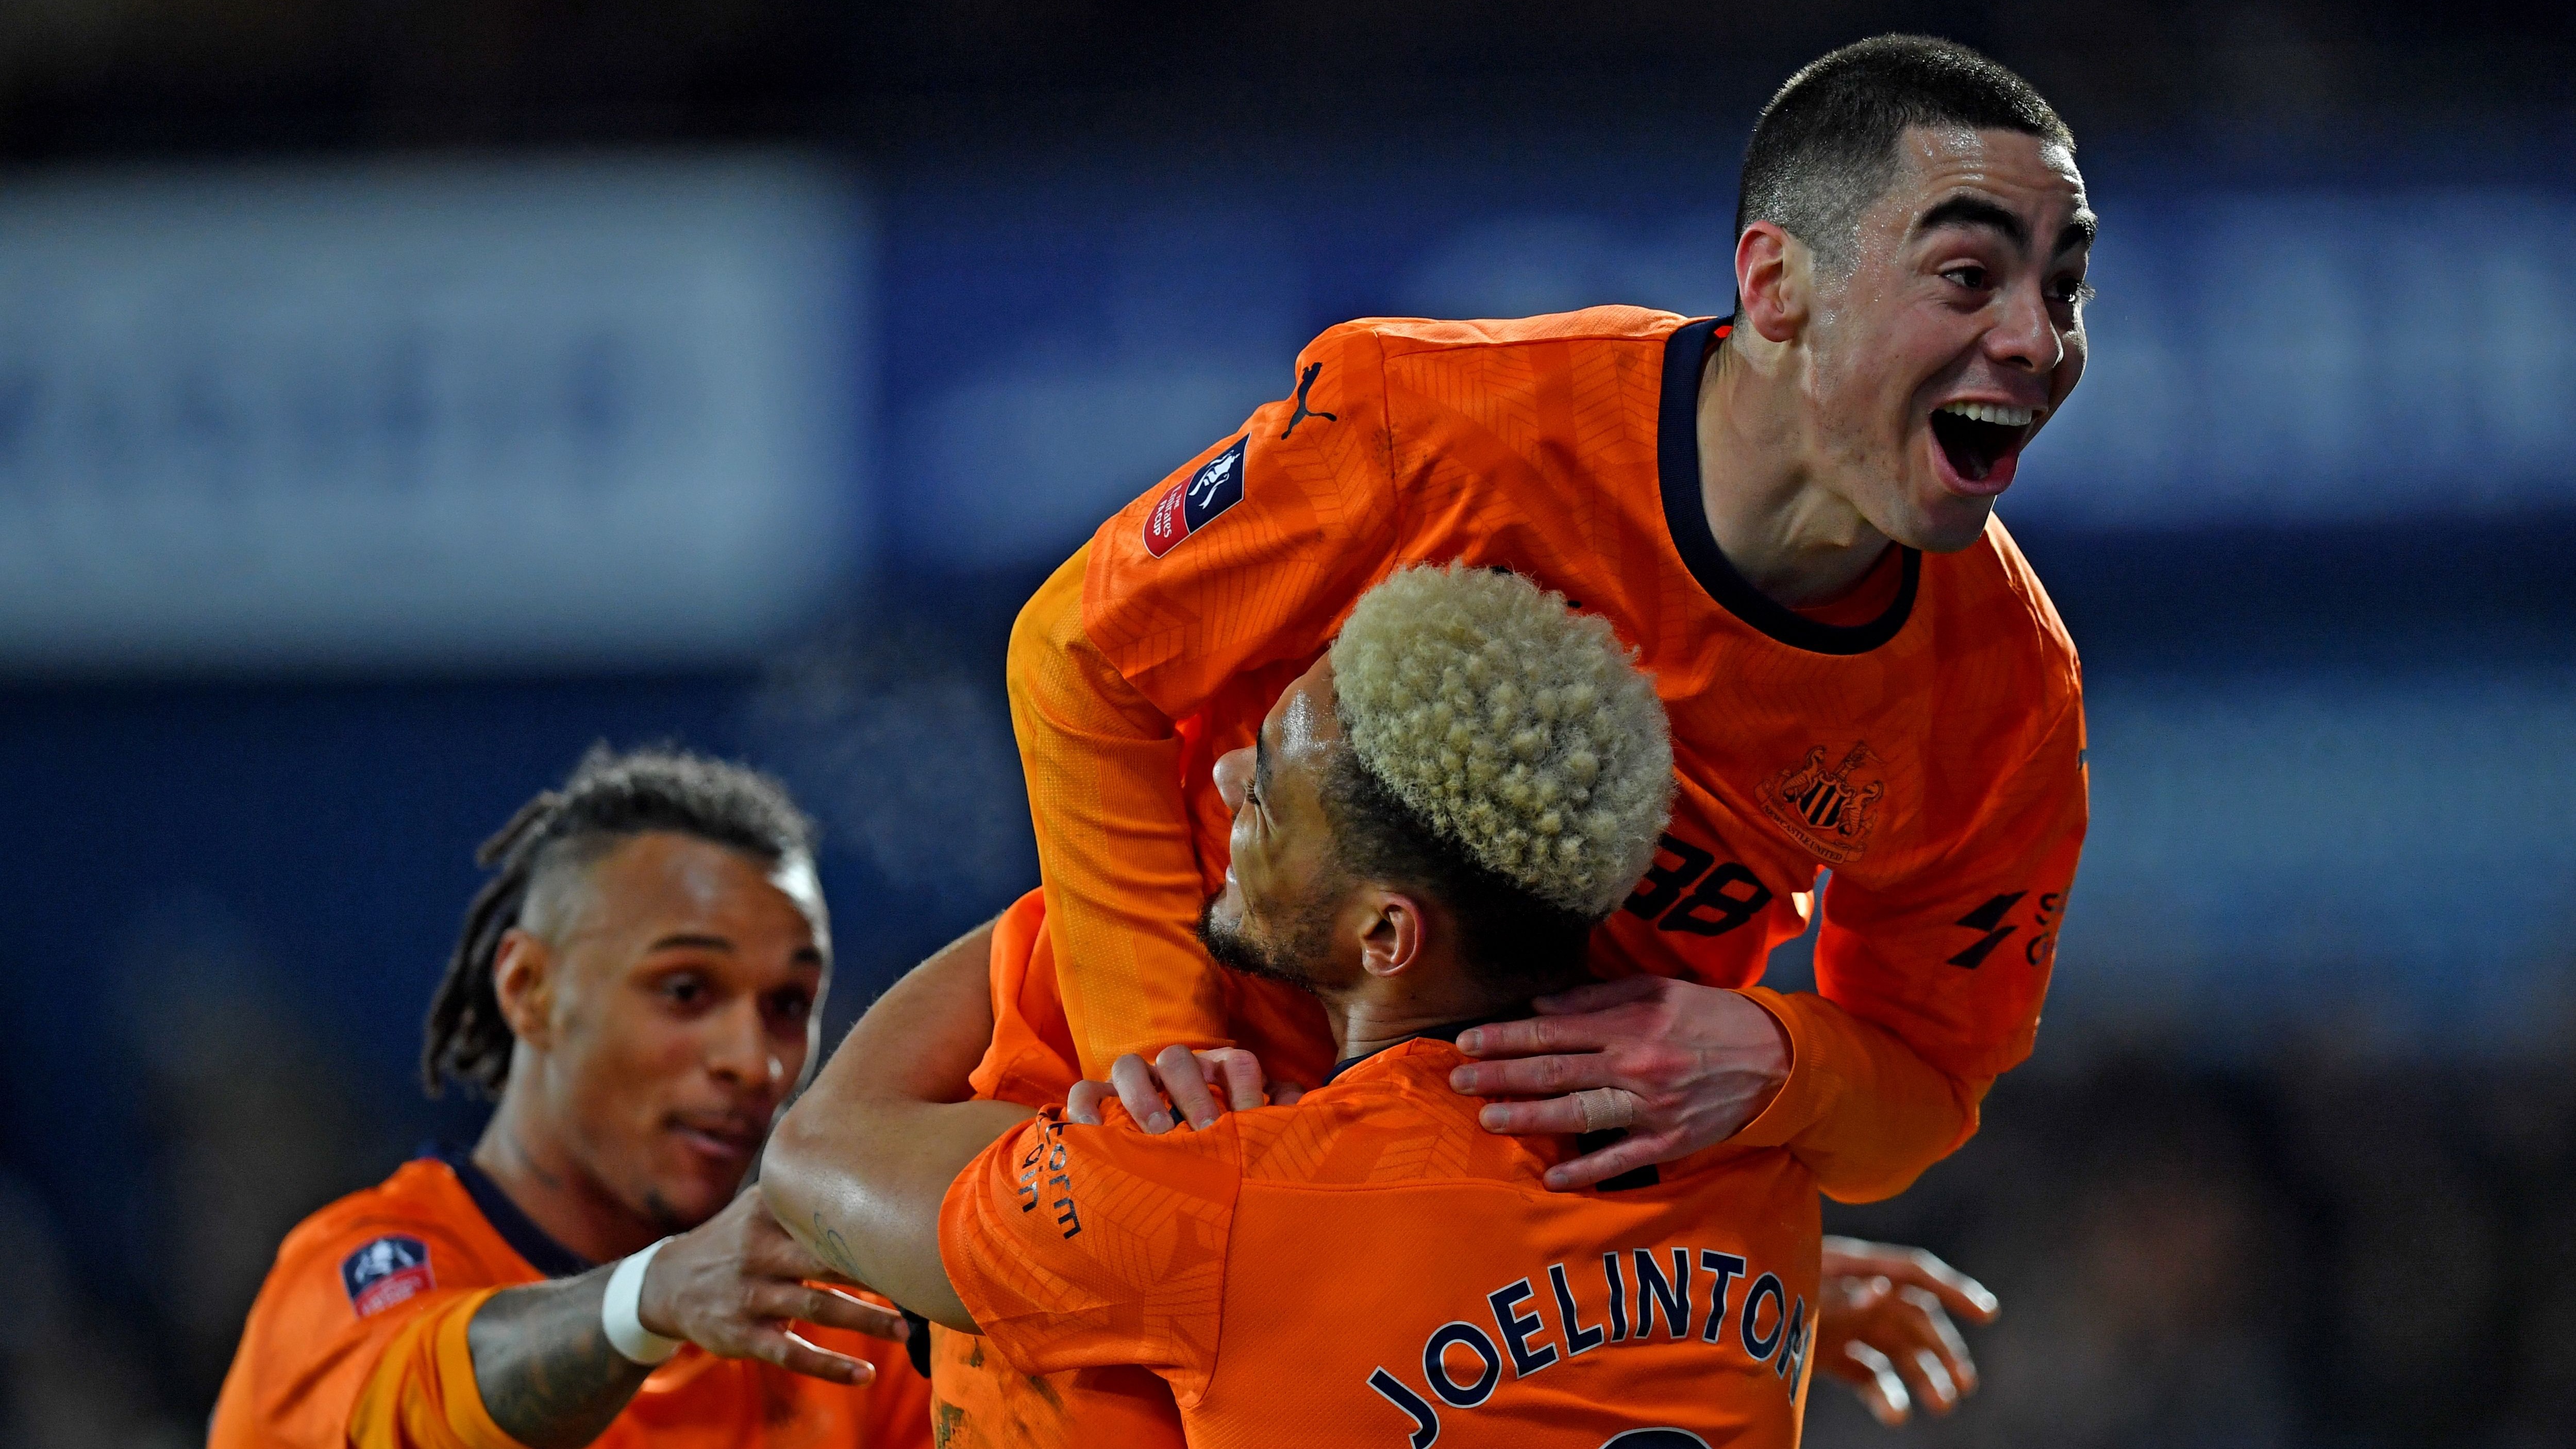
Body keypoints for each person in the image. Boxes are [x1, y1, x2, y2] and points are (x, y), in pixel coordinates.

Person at [917, 29, 2088, 1442]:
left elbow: (1925, 1082)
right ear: (1776, 286)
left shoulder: (2004, 698)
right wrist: (1153, 1044)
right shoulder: (1440, 424)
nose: (2035, 338)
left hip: (1494, 1252)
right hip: (1166, 1165)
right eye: (1968, 277)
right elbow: (1080, 655)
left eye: (2063, 283)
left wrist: (1779, 1062)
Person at [768, 564, 1843, 1444]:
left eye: (1271, 792)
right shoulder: (1762, 1170)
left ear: (1385, 935)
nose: (1228, 776)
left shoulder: (1229, 1197)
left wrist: (1102, 892)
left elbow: (820, 1151)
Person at [209, 747, 931, 1449]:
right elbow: (423, 1411)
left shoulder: (839, 1330)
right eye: (685, 990)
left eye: (788, 1002)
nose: (755, 1061)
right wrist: (649, 1297)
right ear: (529, 990)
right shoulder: (340, 1284)